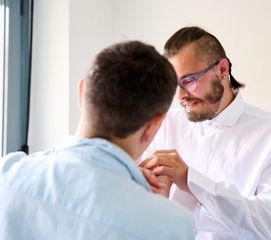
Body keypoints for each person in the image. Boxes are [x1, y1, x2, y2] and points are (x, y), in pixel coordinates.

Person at [0, 41, 197, 240]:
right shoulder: (172, 226)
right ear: (154, 125)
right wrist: (156, 207)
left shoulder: (7, 172)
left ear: (81, 92)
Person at [140, 26, 271, 240]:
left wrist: (192, 180)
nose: (181, 95)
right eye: (174, 84)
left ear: (222, 69)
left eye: (189, 81)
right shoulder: (165, 126)